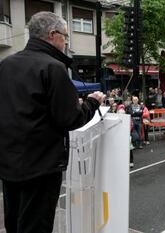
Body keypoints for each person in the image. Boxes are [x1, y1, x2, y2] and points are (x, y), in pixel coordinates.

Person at [0, 12, 105, 232]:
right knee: (35, 225)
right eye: (65, 36)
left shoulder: (6, 64)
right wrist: (92, 103)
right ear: (52, 34)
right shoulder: (53, 67)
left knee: (14, 222)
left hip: (9, 162)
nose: (66, 42)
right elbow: (70, 118)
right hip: (41, 165)